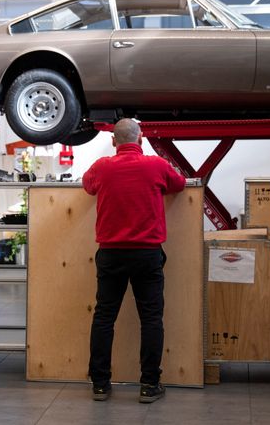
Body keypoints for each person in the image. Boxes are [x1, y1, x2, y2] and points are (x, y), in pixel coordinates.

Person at [82, 118, 186, 403]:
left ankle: (101, 385)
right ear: (141, 140)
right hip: (147, 254)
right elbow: (179, 184)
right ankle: (149, 385)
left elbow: (87, 186)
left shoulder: (102, 167)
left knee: (104, 317)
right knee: (151, 319)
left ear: (114, 142)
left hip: (111, 254)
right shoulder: (156, 165)